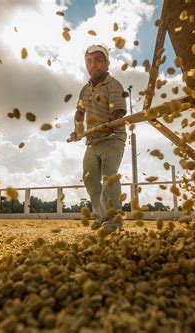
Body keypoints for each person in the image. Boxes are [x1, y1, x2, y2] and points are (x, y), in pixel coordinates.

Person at [69, 44, 127, 233]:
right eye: (89, 61)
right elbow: (79, 113)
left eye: (98, 60)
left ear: (107, 63)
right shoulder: (84, 90)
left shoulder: (114, 85)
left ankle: (113, 220)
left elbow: (118, 111)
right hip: (93, 141)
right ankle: (101, 216)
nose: (93, 65)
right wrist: (78, 131)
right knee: (90, 179)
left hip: (113, 138)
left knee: (109, 175)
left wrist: (112, 122)